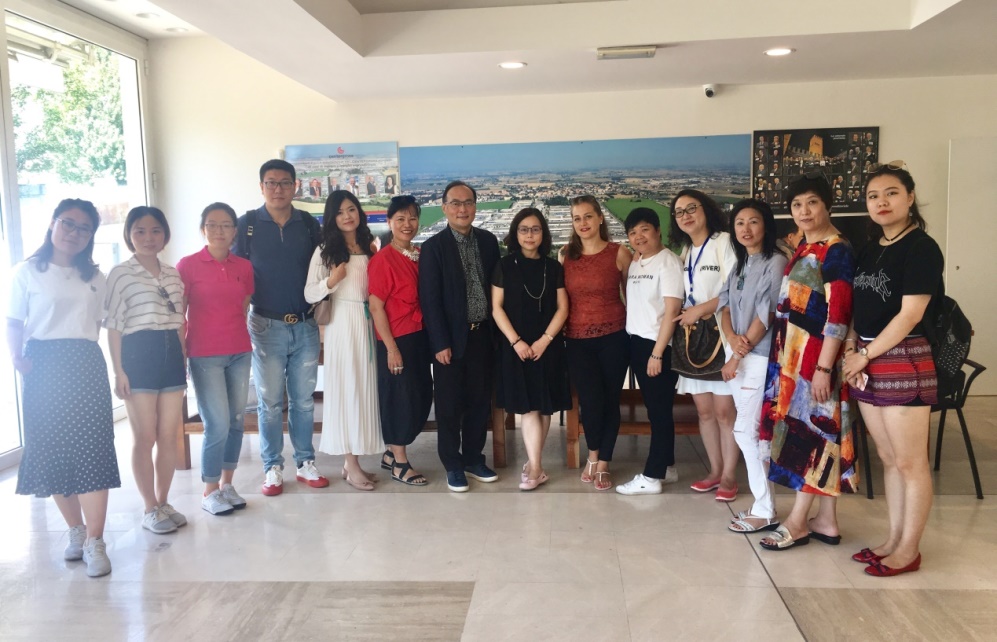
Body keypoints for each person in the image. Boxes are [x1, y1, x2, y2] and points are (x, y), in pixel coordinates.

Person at [7, 199, 118, 577]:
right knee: (53, 450)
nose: (74, 233)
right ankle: (76, 530)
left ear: (91, 236)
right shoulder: (27, 272)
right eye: (68, 223)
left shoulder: (95, 277)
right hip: (42, 365)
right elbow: (14, 321)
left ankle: (96, 541)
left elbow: (100, 322)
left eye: (84, 228)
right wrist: (17, 357)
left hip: (84, 363)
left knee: (93, 449)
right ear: (53, 224)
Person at [842, 164, 942, 577]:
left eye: (891, 193)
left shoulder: (921, 247)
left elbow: (910, 314)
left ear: (910, 197)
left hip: (905, 357)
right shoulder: (870, 248)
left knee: (910, 461)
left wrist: (864, 355)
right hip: (867, 357)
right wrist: (852, 346)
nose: (881, 202)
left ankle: (909, 549)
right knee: (887, 457)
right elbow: (857, 306)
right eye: (873, 196)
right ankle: (893, 539)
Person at [759, 174, 858, 551]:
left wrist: (823, 368)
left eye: (812, 202)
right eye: (796, 204)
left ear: (828, 205)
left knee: (811, 437)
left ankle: (797, 522)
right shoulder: (806, 246)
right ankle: (827, 522)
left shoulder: (836, 250)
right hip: (795, 359)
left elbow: (839, 314)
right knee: (822, 437)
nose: (804, 211)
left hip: (815, 362)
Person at [235, 159, 328, 496]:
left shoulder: (308, 224)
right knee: (270, 402)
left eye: (285, 182)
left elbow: (324, 267)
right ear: (261, 187)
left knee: (303, 401)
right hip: (265, 325)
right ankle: (272, 467)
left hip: (304, 324)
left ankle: (305, 462)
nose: (278, 189)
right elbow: (235, 274)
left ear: (295, 186)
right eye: (271, 183)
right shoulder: (247, 224)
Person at [106, 206, 187, 534]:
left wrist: (182, 357)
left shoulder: (172, 273)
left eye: (155, 231)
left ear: (165, 235)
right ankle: (149, 507)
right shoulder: (120, 274)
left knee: (168, 435)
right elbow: (113, 326)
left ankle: (163, 501)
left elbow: (179, 320)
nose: (148, 237)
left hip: (171, 354)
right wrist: (119, 371)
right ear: (129, 235)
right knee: (145, 436)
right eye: (140, 230)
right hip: (137, 353)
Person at [418, 180, 501, 492]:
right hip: (450, 341)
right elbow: (430, 300)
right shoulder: (433, 248)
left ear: (475, 207)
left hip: (483, 336)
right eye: (455, 203)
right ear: (444, 208)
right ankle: (453, 464)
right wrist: (440, 343)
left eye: (468, 202)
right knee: (450, 406)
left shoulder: (488, 242)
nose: (462, 209)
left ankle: (473, 459)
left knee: (480, 402)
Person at [177, 203, 254, 515]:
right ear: (203, 229)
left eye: (225, 225)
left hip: (240, 351)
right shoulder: (188, 265)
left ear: (235, 231)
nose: (219, 230)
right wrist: (181, 354)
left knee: (236, 420)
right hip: (204, 354)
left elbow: (244, 306)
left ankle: (227, 484)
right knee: (217, 423)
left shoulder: (244, 267)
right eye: (212, 224)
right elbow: (179, 313)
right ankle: (209, 490)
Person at [305, 190, 385, 490]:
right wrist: (331, 281)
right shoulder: (325, 250)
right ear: (331, 218)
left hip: (368, 322)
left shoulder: (370, 244)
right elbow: (309, 293)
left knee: (364, 391)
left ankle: (353, 462)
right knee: (348, 389)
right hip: (343, 324)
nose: (347, 216)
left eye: (351, 209)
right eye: (339, 212)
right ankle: (351, 465)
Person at [718, 200, 788, 532]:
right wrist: (731, 339)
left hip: (758, 357)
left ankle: (764, 508)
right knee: (751, 433)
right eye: (739, 223)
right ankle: (764, 504)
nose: (746, 229)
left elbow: (767, 313)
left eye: (753, 221)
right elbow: (724, 306)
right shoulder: (741, 264)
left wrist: (737, 354)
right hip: (739, 354)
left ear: (766, 225)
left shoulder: (777, 261)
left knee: (745, 431)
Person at [667, 190, 738, 501]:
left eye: (691, 208)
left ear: (706, 209)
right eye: (679, 212)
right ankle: (714, 471)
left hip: (723, 334)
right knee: (705, 411)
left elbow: (734, 290)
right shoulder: (687, 250)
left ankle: (730, 476)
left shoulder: (724, 242)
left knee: (724, 412)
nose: (685, 216)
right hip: (696, 338)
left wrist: (698, 310)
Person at [491, 208, 570, 491]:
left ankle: (535, 464)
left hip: (548, 346)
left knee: (543, 405)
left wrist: (544, 340)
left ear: (543, 234)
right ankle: (536, 467)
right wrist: (517, 342)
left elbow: (563, 308)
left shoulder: (554, 267)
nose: (529, 235)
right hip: (516, 347)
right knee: (528, 407)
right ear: (515, 233)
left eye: (535, 229)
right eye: (523, 229)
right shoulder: (504, 265)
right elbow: (496, 308)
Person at [561, 195, 632, 491]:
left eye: (588, 216)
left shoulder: (620, 253)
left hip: (614, 337)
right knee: (590, 401)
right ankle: (592, 455)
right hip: (577, 339)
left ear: (600, 218)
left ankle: (604, 463)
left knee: (610, 400)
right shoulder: (566, 255)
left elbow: (632, 297)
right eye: (577, 218)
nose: (583, 223)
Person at [615, 208, 684, 495]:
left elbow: (672, 311)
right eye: (632, 233)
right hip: (636, 342)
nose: (638, 237)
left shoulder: (668, 263)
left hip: (657, 345)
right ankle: (668, 467)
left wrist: (657, 353)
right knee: (657, 409)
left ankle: (652, 476)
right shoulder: (638, 261)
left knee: (658, 412)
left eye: (644, 229)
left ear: (657, 230)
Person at [368, 196, 433, 486]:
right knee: (400, 399)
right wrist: (391, 349)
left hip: (419, 336)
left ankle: (389, 454)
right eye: (400, 219)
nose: (407, 225)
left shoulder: (419, 254)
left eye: (412, 218)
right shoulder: (383, 260)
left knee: (420, 396)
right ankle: (400, 463)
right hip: (397, 339)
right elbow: (376, 307)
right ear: (389, 222)